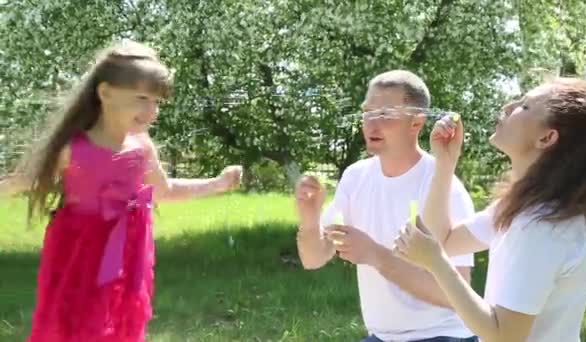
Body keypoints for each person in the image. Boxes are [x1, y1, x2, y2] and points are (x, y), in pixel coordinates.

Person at [0, 40, 242, 342]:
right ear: (105, 93)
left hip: (129, 249)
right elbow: (24, 180)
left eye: (157, 102)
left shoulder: (141, 147)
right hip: (79, 252)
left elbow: (163, 190)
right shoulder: (74, 149)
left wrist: (216, 184)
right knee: (75, 323)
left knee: (121, 321)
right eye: (142, 98)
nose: (151, 110)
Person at [394, 77, 586, 342]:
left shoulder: (542, 227)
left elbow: (504, 336)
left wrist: (436, 263)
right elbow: (443, 239)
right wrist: (445, 164)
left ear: (546, 137)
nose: (508, 106)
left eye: (525, 106)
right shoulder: (523, 208)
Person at [295, 70, 478, 341]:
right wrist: (310, 221)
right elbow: (312, 259)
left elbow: (457, 295)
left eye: (384, 114)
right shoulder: (356, 176)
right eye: (367, 112)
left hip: (443, 335)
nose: (371, 124)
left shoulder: (442, 185)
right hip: (380, 337)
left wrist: (376, 256)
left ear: (416, 122)